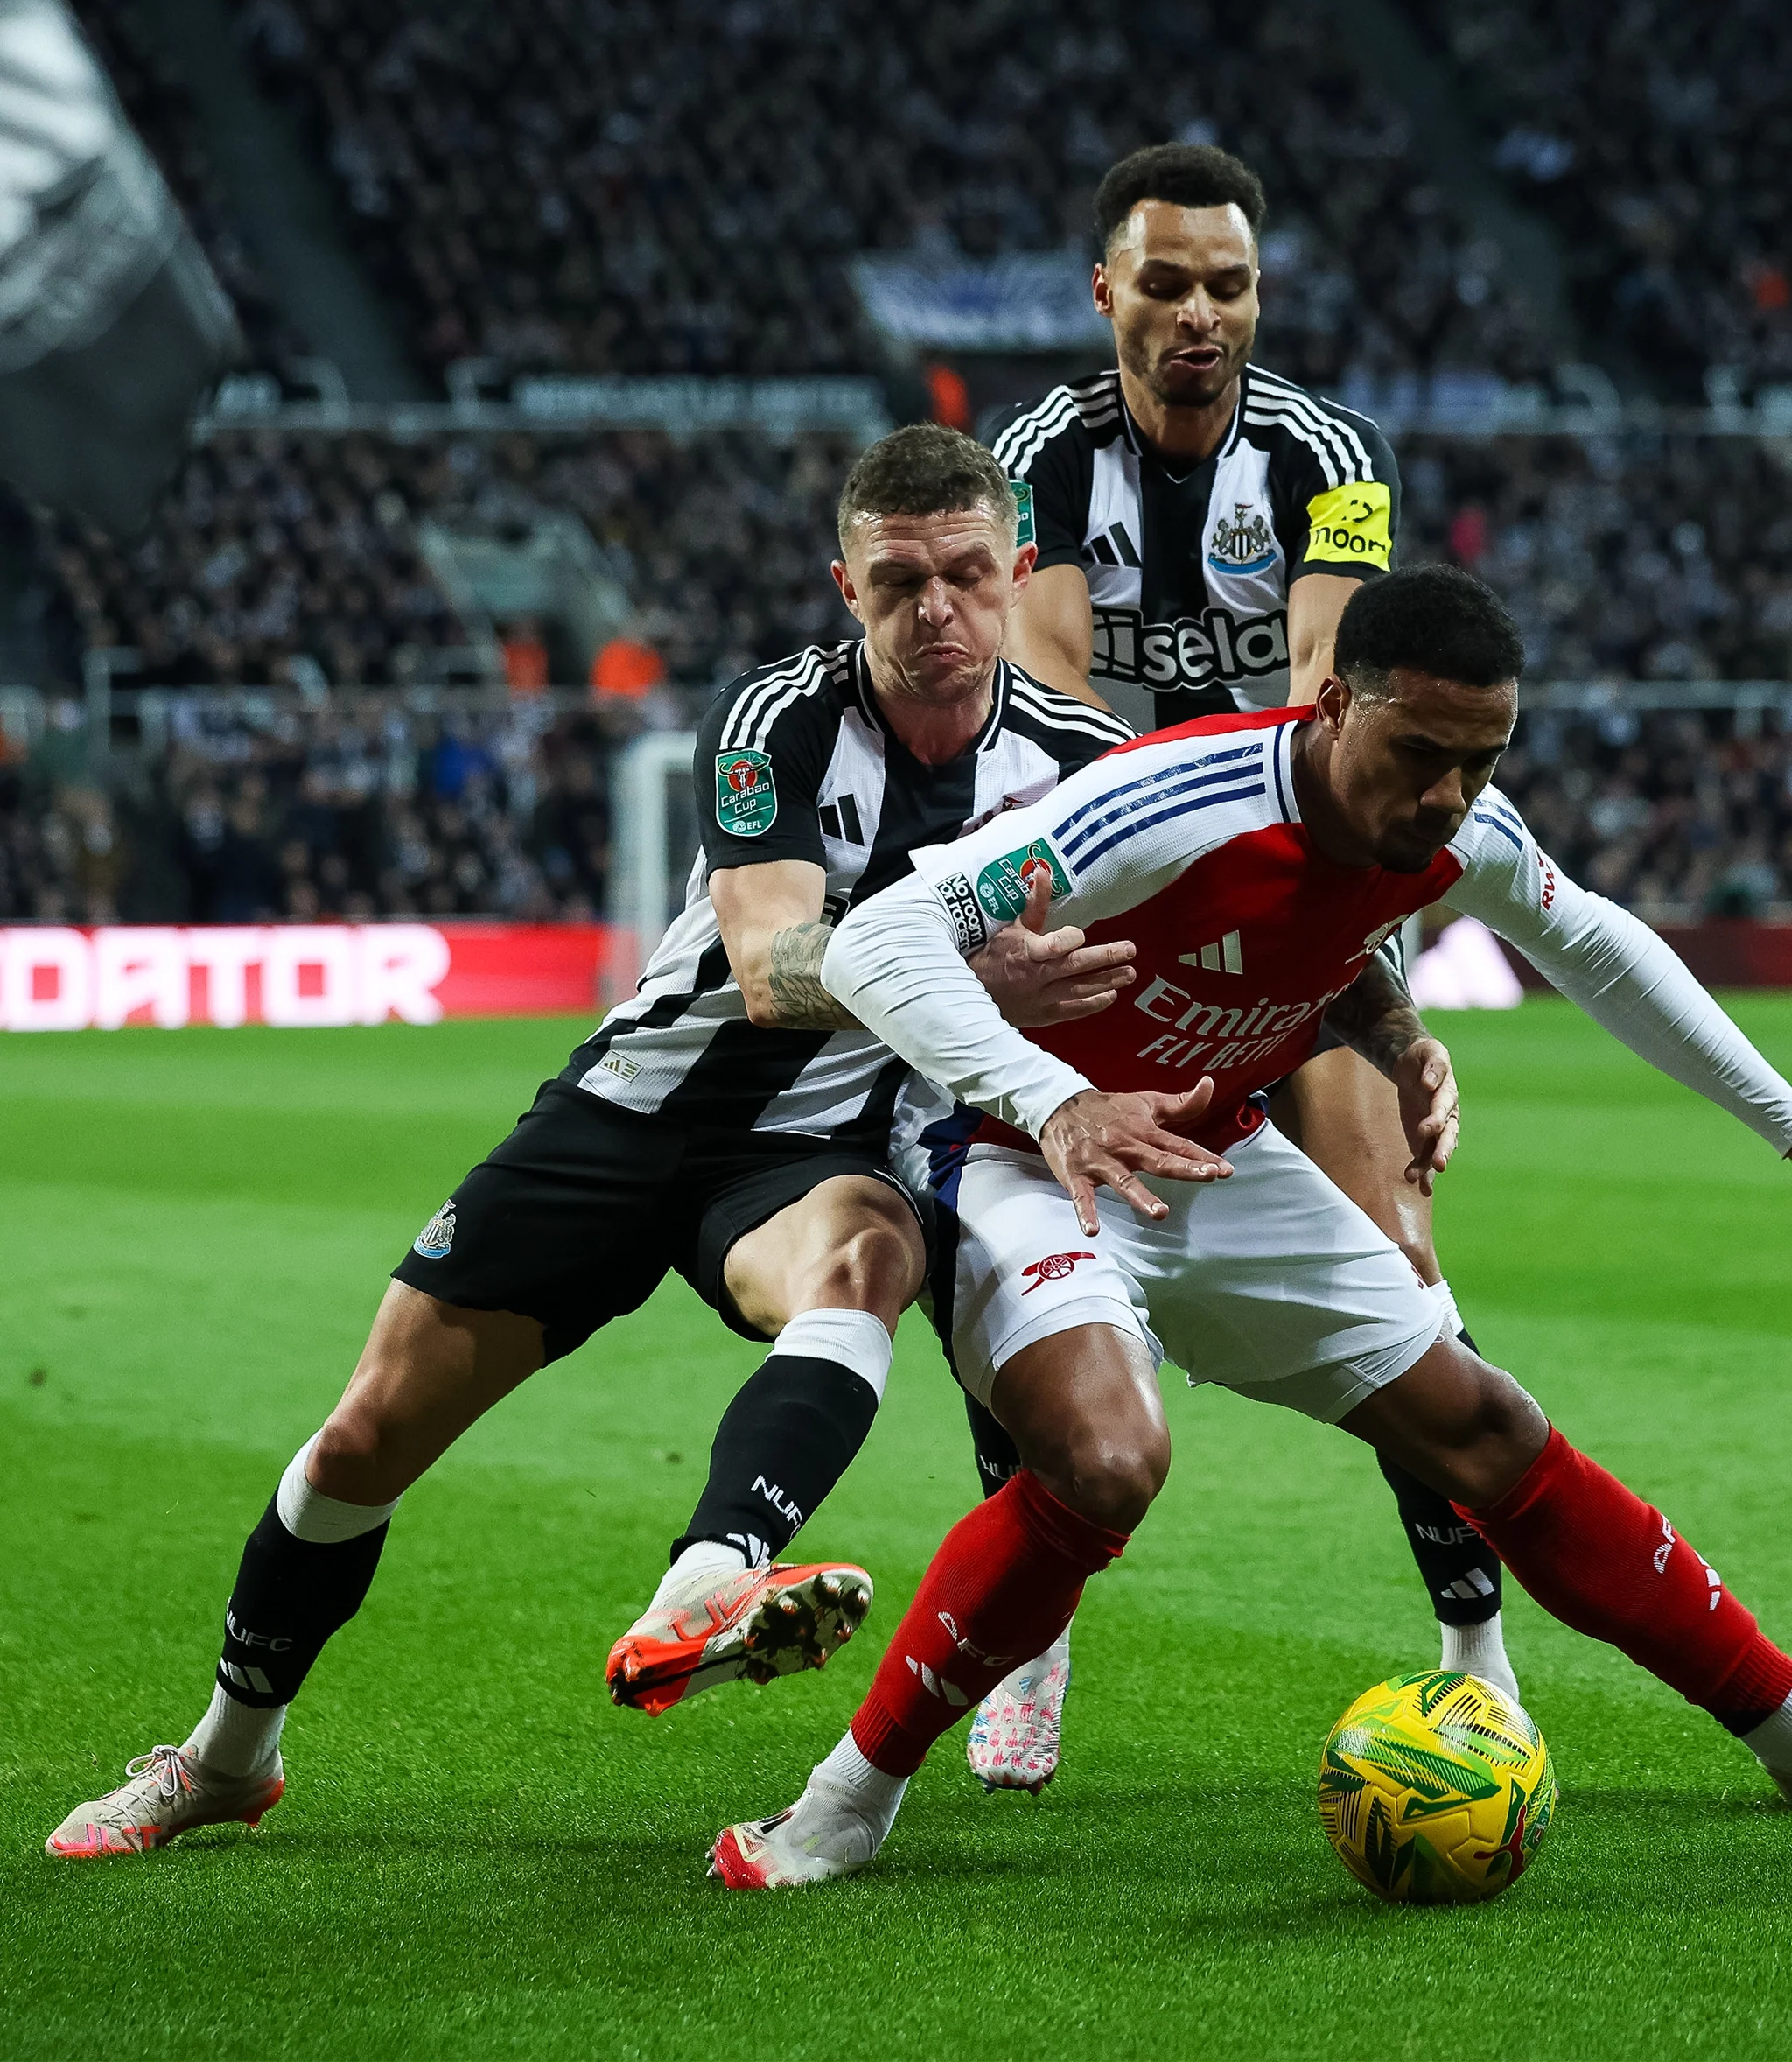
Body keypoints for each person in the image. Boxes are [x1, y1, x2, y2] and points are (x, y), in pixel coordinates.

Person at [45, 426, 1135, 1858]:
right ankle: (224, 1756)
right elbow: (770, 969)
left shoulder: (1088, 764)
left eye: (969, 575)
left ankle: (706, 1583)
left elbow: (1218, 921)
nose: (937, 609)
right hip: (632, 1112)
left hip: (815, 1148)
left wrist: (1375, 1043)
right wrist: (977, 979)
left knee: (868, 1258)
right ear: (846, 586)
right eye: (899, 581)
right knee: (367, 1433)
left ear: (1020, 572)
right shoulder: (779, 719)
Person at [710, 564, 1792, 1887]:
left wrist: (1785, 1122)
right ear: (1336, 707)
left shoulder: (1465, 829)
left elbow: (1603, 949)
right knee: (1110, 1459)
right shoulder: (1176, 800)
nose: (1449, 796)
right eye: (1420, 754)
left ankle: (1783, 1721)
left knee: (1489, 1430)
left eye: (1481, 761)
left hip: (1216, 1155)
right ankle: (845, 1803)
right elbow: (878, 943)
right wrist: (1058, 1103)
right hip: (1014, 1155)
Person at [968, 139, 1509, 1788]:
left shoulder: (1330, 458)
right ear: (1105, 292)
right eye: (1168, 283)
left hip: (1295, 883)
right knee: (1031, 1248)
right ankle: (1031, 1631)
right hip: (1107, 893)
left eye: (1231, 285)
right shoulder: (1039, 457)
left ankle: (1474, 1646)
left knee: (1399, 1256)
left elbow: (1330, 688)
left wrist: (1310, 912)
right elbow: (1048, 682)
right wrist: (1159, 849)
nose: (1200, 313)